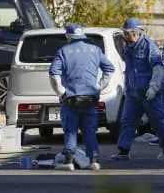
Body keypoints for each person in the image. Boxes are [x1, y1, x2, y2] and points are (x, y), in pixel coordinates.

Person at [49, 24, 115, 171]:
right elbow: (109, 69)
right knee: (90, 131)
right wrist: (99, 86)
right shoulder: (95, 50)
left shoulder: (63, 51)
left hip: (71, 99)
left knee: (70, 131)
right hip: (90, 98)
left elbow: (54, 73)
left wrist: (61, 92)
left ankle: (69, 162)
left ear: (68, 36)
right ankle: (93, 161)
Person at [111, 17, 164, 161]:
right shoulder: (128, 47)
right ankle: (123, 151)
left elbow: (158, 68)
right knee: (127, 121)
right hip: (133, 92)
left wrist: (154, 87)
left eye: (129, 34)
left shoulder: (149, 46)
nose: (127, 37)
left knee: (157, 122)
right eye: (126, 34)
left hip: (149, 93)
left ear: (137, 32)